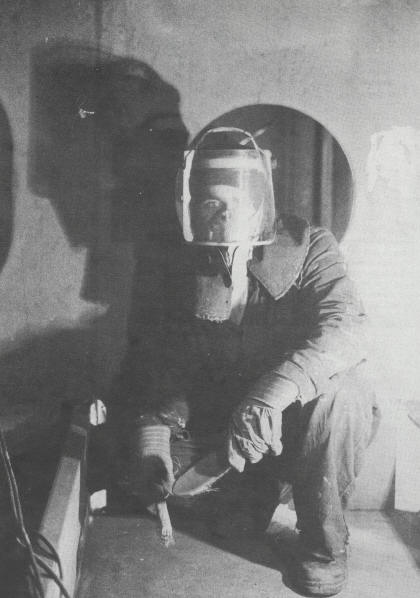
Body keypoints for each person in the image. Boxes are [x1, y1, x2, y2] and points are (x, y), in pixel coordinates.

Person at [123, 128, 380, 597]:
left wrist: (272, 393)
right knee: (170, 491)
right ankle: (253, 493)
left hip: (295, 425)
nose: (225, 214)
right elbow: (156, 359)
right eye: (211, 202)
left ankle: (323, 547)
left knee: (346, 393)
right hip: (222, 430)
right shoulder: (175, 260)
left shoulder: (311, 246)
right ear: (192, 205)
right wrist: (153, 438)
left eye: (237, 199)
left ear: (261, 198)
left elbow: (347, 329)